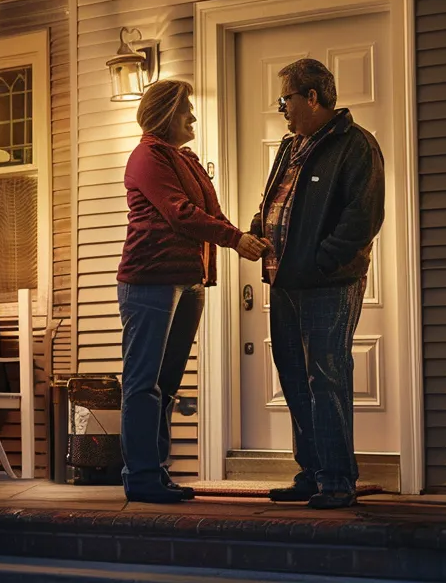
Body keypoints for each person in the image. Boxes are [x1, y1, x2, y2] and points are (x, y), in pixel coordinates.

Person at [117, 79, 267, 504]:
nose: (194, 117)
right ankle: (141, 476)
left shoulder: (187, 160)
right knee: (143, 384)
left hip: (189, 281)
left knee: (165, 383)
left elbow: (210, 213)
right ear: (167, 113)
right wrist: (234, 240)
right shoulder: (147, 157)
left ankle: (157, 472)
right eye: (187, 110)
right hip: (149, 280)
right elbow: (181, 214)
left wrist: (245, 234)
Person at [250, 58, 385, 510]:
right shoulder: (291, 147)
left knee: (325, 377)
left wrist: (320, 262)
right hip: (284, 282)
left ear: (312, 97)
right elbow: (277, 203)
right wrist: (258, 229)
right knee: (294, 378)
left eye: (285, 98)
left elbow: (362, 219)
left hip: (328, 283)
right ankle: (310, 473)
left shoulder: (356, 146)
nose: (281, 108)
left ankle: (337, 480)